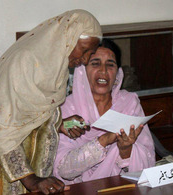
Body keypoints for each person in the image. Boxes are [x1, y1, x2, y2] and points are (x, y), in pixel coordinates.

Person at [0, 9, 102, 195]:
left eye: (91, 53)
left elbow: (29, 117)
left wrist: (59, 125)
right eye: (85, 50)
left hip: (30, 168)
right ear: (68, 38)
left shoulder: (57, 66)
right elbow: (1, 128)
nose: (85, 59)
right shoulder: (24, 61)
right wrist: (30, 180)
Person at [53, 39, 155, 184]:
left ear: (117, 73)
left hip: (122, 186)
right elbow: (63, 169)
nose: (103, 71)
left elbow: (148, 162)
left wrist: (125, 149)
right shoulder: (66, 108)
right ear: (82, 71)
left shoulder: (128, 103)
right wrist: (105, 140)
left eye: (110, 65)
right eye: (95, 63)